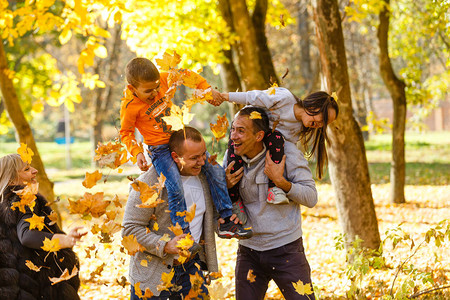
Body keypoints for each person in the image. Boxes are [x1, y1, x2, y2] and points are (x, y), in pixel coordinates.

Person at [119, 57, 251, 242]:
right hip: (160, 150)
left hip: (179, 138)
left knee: (215, 170)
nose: (155, 92)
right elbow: (126, 132)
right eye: (148, 91)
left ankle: (226, 219)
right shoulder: (129, 106)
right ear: (133, 88)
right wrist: (137, 152)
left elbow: (187, 75)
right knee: (175, 185)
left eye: (157, 87)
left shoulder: (164, 79)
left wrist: (206, 90)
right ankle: (183, 234)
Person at [122, 127, 240, 299]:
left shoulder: (204, 177)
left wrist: (221, 220)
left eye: (203, 155)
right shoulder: (149, 182)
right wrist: (165, 245)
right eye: (194, 158)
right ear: (175, 157)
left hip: (191, 271)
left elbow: (202, 216)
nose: (202, 162)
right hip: (153, 277)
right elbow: (129, 230)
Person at [223, 107, 318, 300]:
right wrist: (224, 186)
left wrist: (282, 182)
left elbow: (311, 197)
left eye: (241, 131)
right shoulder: (232, 156)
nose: (233, 136)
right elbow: (222, 204)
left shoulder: (286, 153)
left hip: (286, 249)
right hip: (249, 250)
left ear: (259, 135)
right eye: (233, 129)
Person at [213, 88, 338, 221]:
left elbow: (283, 150)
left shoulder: (298, 128)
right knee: (234, 166)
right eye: (323, 118)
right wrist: (224, 96)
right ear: (314, 105)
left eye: (325, 124)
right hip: (247, 125)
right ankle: (235, 201)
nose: (320, 125)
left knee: (277, 138)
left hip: (266, 136)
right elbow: (254, 96)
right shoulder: (284, 98)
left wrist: (281, 181)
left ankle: (273, 189)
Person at [0, 154, 86, 300]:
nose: (35, 170)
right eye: (27, 169)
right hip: (34, 287)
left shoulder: (4, 202)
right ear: (13, 179)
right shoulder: (25, 199)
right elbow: (27, 236)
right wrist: (65, 240)